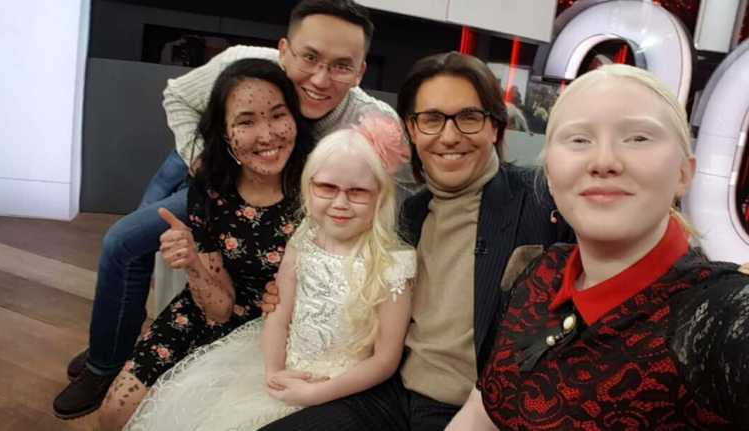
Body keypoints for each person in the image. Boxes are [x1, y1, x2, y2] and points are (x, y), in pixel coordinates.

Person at [54, 0, 409, 418]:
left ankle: (116, 349)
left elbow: (395, 185)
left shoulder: (367, 119)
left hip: (278, 183)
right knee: (126, 240)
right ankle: (106, 359)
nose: (320, 78)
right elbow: (177, 97)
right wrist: (199, 159)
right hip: (212, 161)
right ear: (285, 50)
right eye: (310, 57)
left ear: (360, 71)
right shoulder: (240, 64)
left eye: (341, 66)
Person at [259, 51, 575, 430]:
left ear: (495, 127)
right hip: (392, 392)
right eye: (431, 119)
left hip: (477, 410)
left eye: (469, 117)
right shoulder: (407, 213)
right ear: (411, 129)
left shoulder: (543, 198)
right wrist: (288, 295)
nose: (449, 136)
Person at [448, 64, 749, 430]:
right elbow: (482, 409)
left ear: (683, 174)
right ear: (550, 174)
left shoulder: (716, 316)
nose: (604, 161)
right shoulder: (542, 272)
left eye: (638, 138)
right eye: (579, 140)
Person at [123, 113, 416, 431]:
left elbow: (384, 360)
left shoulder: (393, 265)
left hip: (344, 391)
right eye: (327, 187)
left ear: (380, 195)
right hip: (282, 367)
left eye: (357, 191)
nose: (340, 203)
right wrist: (274, 373)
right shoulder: (303, 241)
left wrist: (317, 393)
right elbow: (278, 317)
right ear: (309, 187)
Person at [70, 58, 310, 427]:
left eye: (278, 115)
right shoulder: (210, 189)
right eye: (246, 121)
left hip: (280, 328)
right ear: (225, 133)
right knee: (114, 413)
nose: (267, 135)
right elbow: (219, 310)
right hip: (209, 306)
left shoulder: (319, 184)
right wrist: (192, 262)